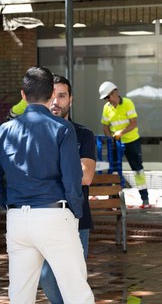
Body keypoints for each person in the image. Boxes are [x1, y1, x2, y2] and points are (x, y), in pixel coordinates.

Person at [0, 67, 94, 303]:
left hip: (17, 218)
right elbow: (72, 178)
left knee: (20, 294)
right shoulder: (62, 128)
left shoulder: (4, 131)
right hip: (54, 215)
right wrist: (76, 211)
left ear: (23, 95)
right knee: (76, 292)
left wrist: (7, 204)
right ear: (52, 93)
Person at [39, 75, 96, 303]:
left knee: (74, 282)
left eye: (61, 96)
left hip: (76, 218)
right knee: (47, 278)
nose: (55, 102)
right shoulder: (37, 133)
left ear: (70, 99)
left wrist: (46, 174)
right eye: (51, 96)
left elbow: (86, 176)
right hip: (42, 217)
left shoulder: (83, 134)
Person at [99, 81, 151, 208]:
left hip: (132, 141)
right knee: (114, 170)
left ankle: (145, 199)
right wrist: (110, 138)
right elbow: (105, 126)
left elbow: (133, 123)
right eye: (105, 98)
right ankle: (113, 198)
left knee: (137, 169)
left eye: (108, 97)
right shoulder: (107, 107)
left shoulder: (127, 103)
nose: (107, 100)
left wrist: (120, 133)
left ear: (114, 92)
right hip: (116, 143)